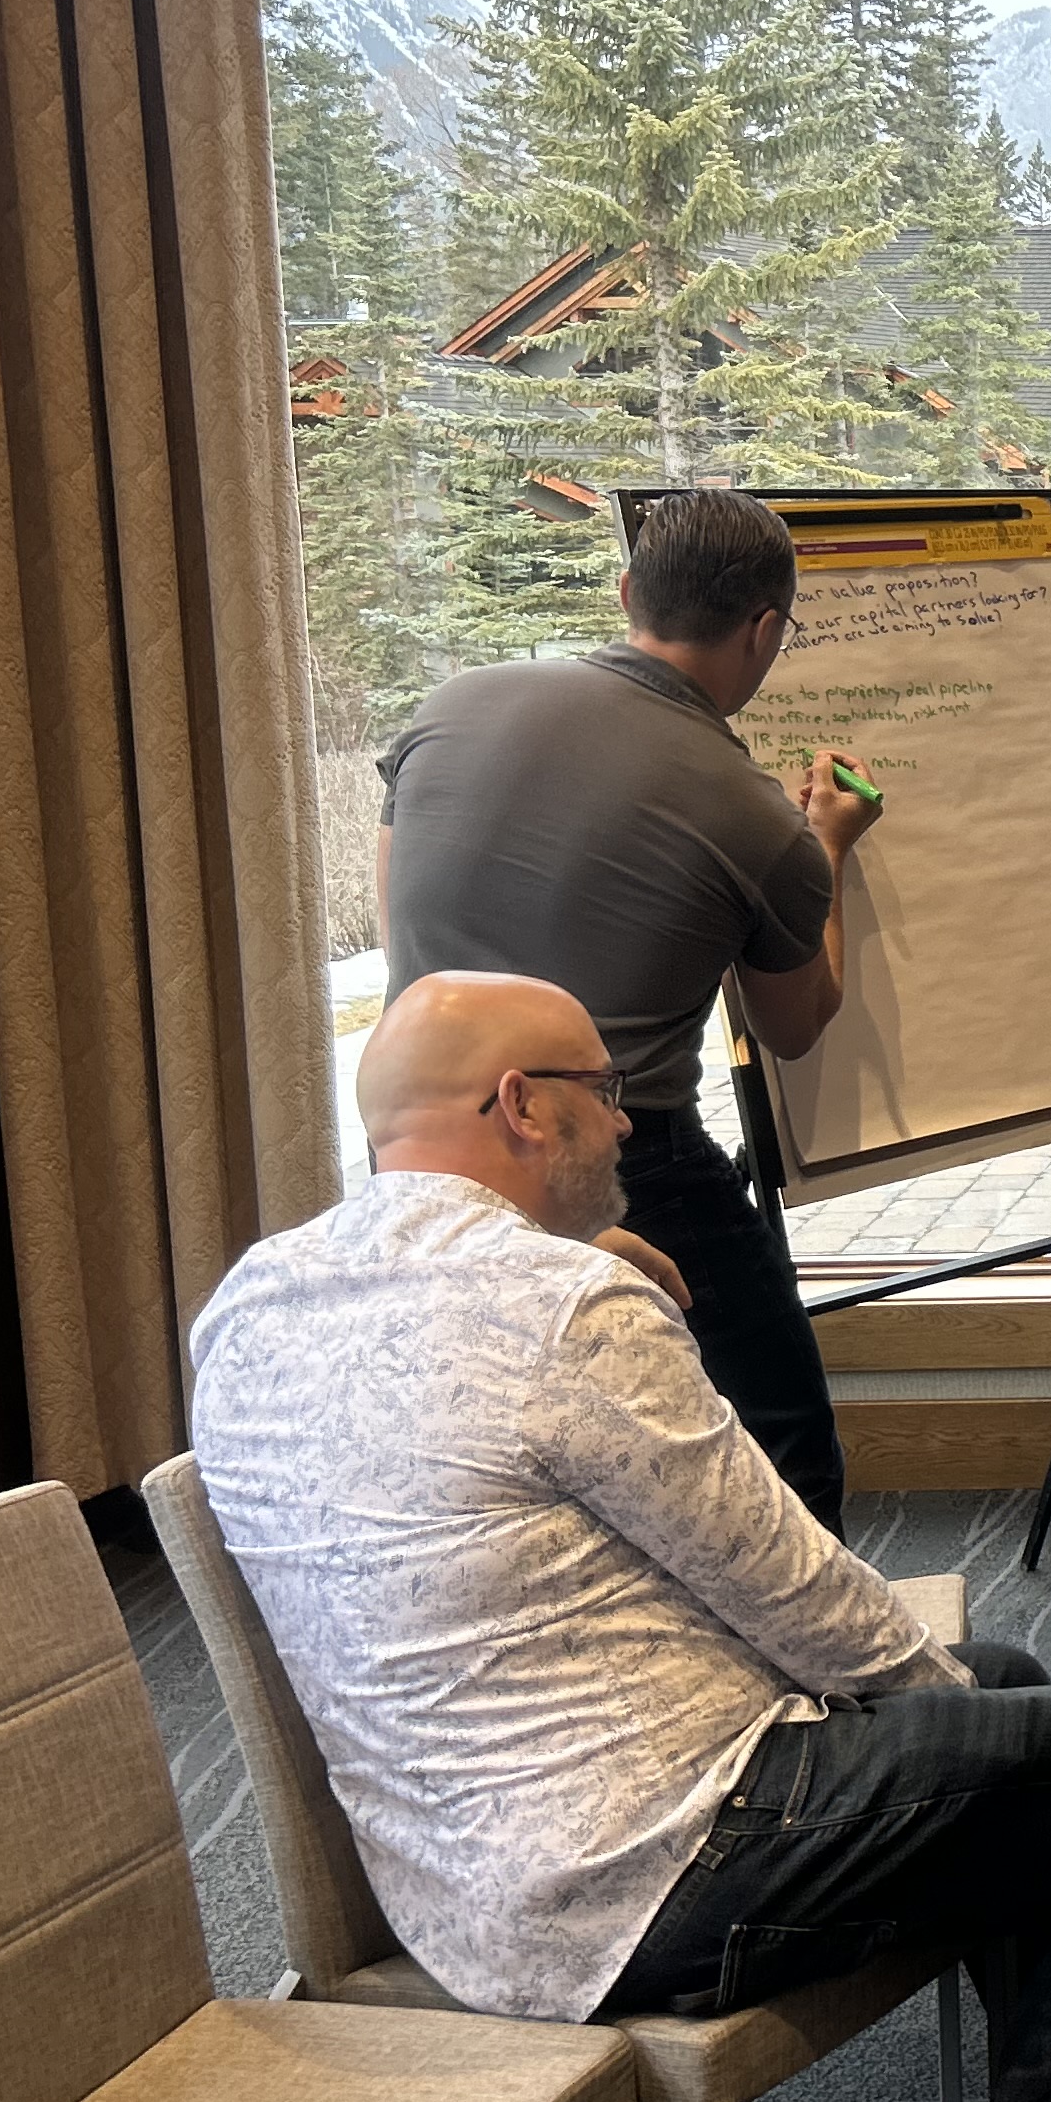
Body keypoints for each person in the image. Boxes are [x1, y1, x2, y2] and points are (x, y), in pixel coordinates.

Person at [188, 970, 1051, 2102]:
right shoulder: (564, 1310)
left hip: (454, 1881)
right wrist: (931, 1713)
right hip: (657, 1865)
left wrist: (960, 1722)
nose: (630, 1122)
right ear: (523, 1106)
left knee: (1012, 1696)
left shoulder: (249, 1304)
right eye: (606, 1089)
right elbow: (800, 1596)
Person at [379, 485, 874, 1526]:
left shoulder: (449, 707)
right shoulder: (757, 818)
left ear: (626, 593)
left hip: (416, 1160)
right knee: (782, 1444)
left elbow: (402, 930)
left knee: (490, 1444)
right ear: (764, 631)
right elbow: (792, 1026)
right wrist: (826, 844)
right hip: (614, 1159)